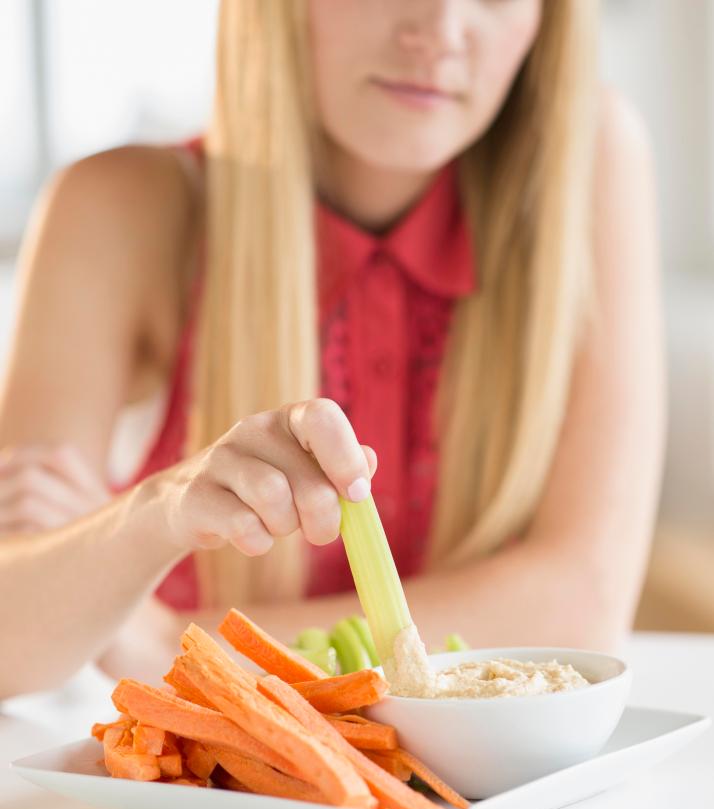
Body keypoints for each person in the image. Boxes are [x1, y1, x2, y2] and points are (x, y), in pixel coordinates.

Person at [0, 0, 664, 698]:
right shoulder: (121, 206)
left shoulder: (585, 161)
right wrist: (149, 518)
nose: (439, 32)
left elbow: (579, 606)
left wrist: (167, 637)